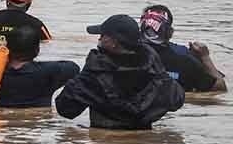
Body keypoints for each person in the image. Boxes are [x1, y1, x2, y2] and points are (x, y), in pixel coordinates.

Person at [55, 15, 185, 129]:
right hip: (143, 141)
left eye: (102, 35)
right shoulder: (152, 68)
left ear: (113, 43)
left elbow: (65, 109)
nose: (99, 38)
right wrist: (159, 70)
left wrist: (86, 72)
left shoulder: (96, 72)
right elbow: (177, 100)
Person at [0, 26, 78, 107]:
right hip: (36, 128)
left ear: (7, 48)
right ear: (37, 51)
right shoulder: (49, 72)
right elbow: (74, 68)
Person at [139, 5, 226, 92]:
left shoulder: (128, 53)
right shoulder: (185, 60)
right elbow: (220, 88)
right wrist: (205, 57)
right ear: (170, 32)